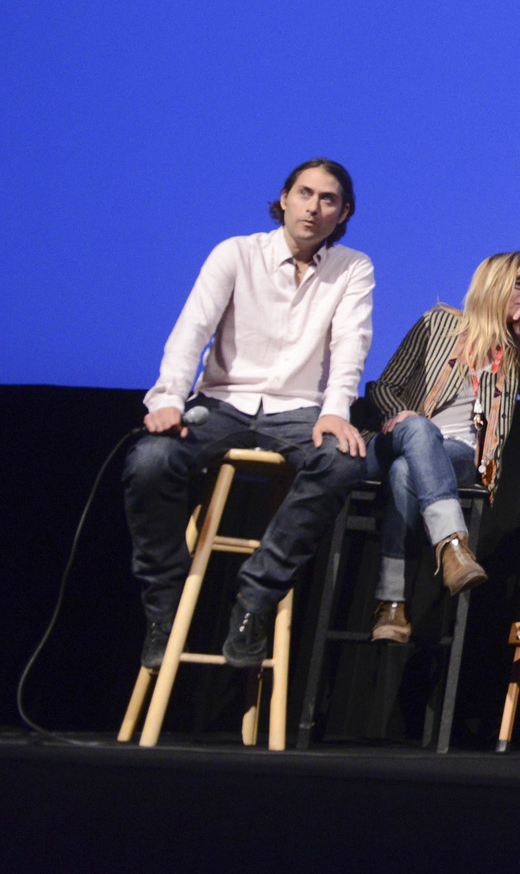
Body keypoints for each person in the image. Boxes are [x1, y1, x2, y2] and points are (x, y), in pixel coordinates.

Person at [124, 158, 374, 669]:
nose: (314, 207)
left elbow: (352, 344)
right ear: (284, 198)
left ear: (343, 211)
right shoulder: (237, 253)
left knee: (346, 462)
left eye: (328, 199)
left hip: (298, 410)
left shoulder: (353, 267)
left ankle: (255, 599)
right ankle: (164, 605)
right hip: (222, 403)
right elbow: (192, 329)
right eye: (305, 193)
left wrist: (335, 409)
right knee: (149, 462)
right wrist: (169, 398)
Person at [363, 251, 520, 643]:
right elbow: (383, 386)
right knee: (419, 432)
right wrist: (399, 416)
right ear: (494, 283)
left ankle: (391, 604)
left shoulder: (516, 354)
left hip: (457, 457)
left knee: (409, 470)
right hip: (394, 440)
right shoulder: (438, 323)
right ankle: (453, 545)